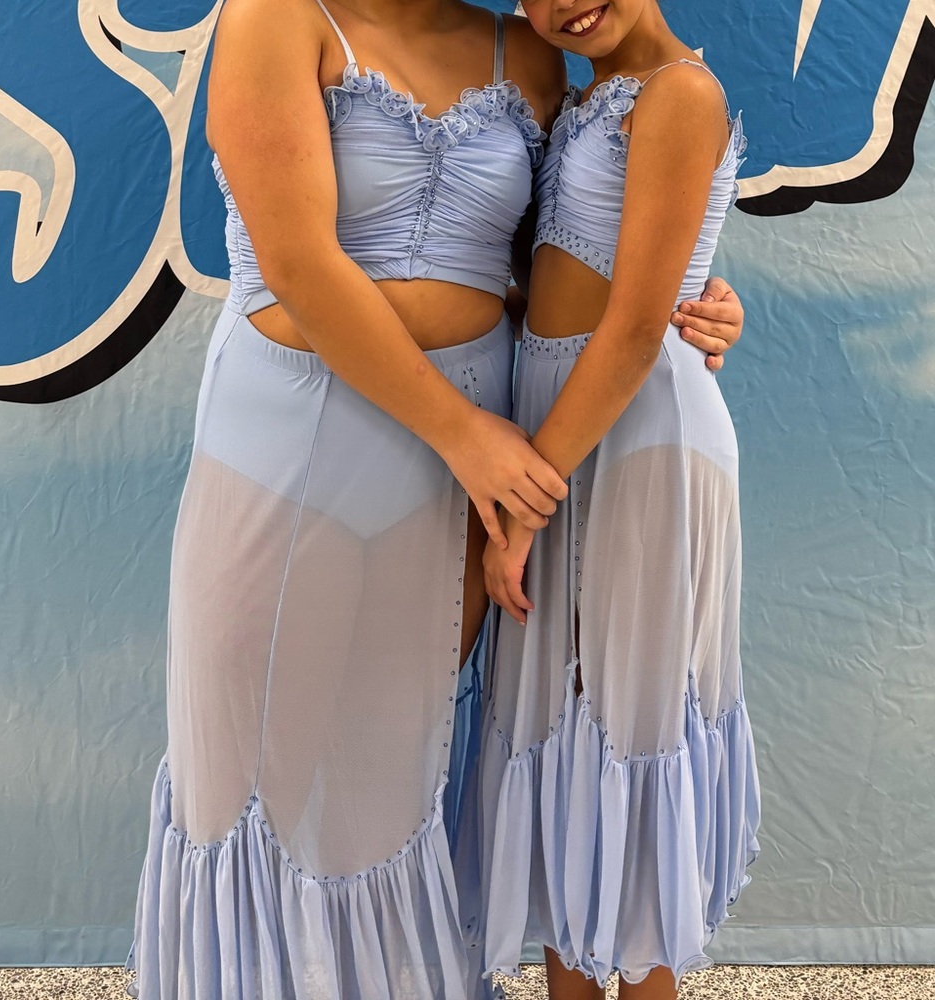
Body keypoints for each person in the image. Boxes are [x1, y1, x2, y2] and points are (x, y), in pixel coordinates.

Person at [125, 1, 746, 997]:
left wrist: (695, 302)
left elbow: (563, 263)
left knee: (392, 765)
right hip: (305, 435)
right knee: (243, 771)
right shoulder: (275, 17)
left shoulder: (529, 55)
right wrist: (472, 441)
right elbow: (297, 261)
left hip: (464, 462)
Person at [480, 2, 761, 998]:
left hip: (633, 429)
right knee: (572, 755)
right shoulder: (573, 94)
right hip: (566, 422)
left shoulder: (681, 92)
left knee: (623, 739)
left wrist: (520, 502)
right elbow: (569, 275)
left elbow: (640, 325)